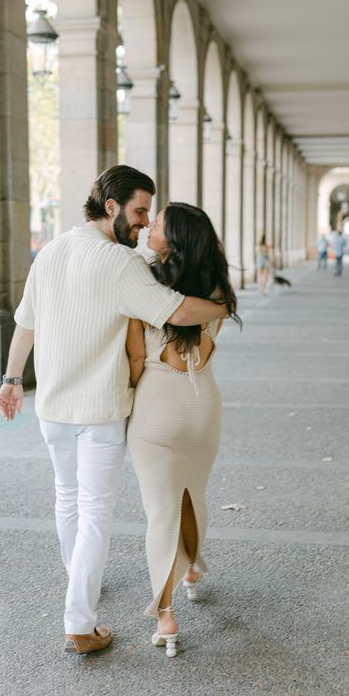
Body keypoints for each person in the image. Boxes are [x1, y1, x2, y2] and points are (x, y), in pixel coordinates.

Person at [0, 166, 228, 655]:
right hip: (99, 409)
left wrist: (13, 379)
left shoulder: (52, 250)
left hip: (52, 406)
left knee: (66, 499)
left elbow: (25, 324)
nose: (144, 224)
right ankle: (80, 621)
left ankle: (81, 582)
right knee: (96, 512)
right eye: (141, 211)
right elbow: (179, 313)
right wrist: (222, 308)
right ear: (112, 207)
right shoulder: (120, 263)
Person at [127, 203, 241, 658]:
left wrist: (129, 399)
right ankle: (192, 567)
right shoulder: (215, 290)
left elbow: (137, 358)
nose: (149, 225)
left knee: (160, 511)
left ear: (171, 241)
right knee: (193, 494)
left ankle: (166, 614)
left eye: (156, 224)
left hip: (157, 404)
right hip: (203, 407)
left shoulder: (143, 283)